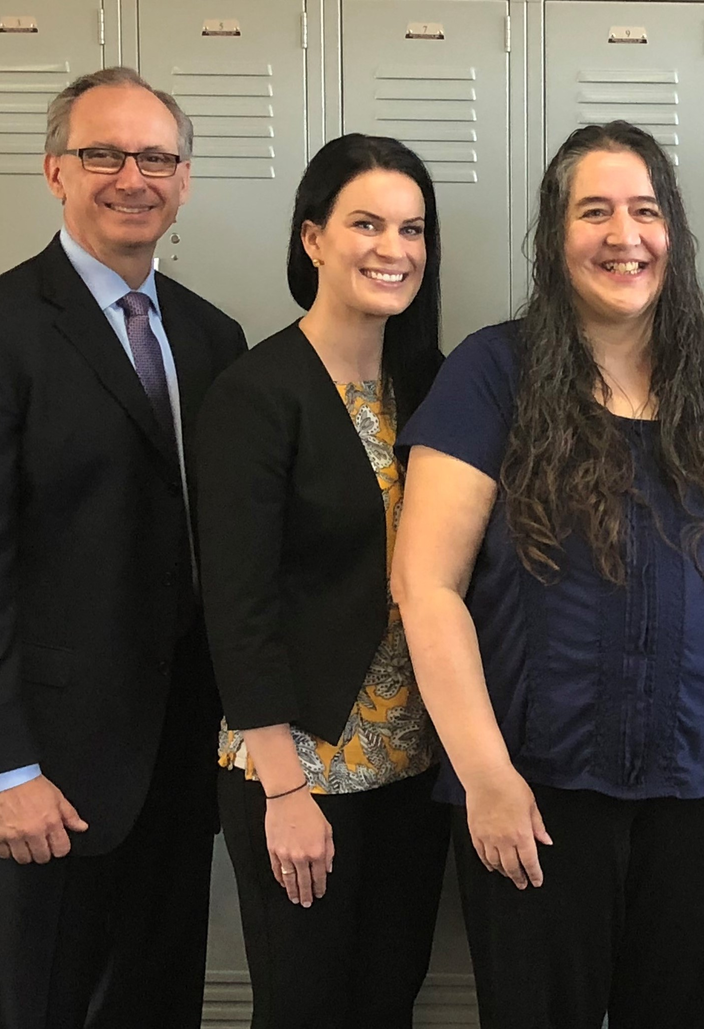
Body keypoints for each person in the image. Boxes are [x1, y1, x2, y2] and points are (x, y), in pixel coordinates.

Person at [389, 121, 704, 1029]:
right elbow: (425, 585)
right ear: (554, 234)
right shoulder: (492, 372)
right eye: (594, 211)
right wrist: (486, 776)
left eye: (645, 210)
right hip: (537, 786)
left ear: (672, 232)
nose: (624, 235)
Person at [0, 67, 247, 1028]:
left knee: (155, 1004)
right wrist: (2, 771)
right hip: (43, 773)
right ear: (56, 170)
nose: (133, 177)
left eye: (157, 158)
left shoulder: (212, 337)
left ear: (184, 179)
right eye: (104, 154)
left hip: (176, 768)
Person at [193, 133, 448, 1027]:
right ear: (313, 238)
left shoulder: (429, 384)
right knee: (303, 1007)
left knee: (388, 999)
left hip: (413, 763)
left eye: (412, 229)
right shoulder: (257, 391)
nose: (393, 248)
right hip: (301, 766)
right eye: (366, 224)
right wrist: (284, 790)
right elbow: (238, 606)